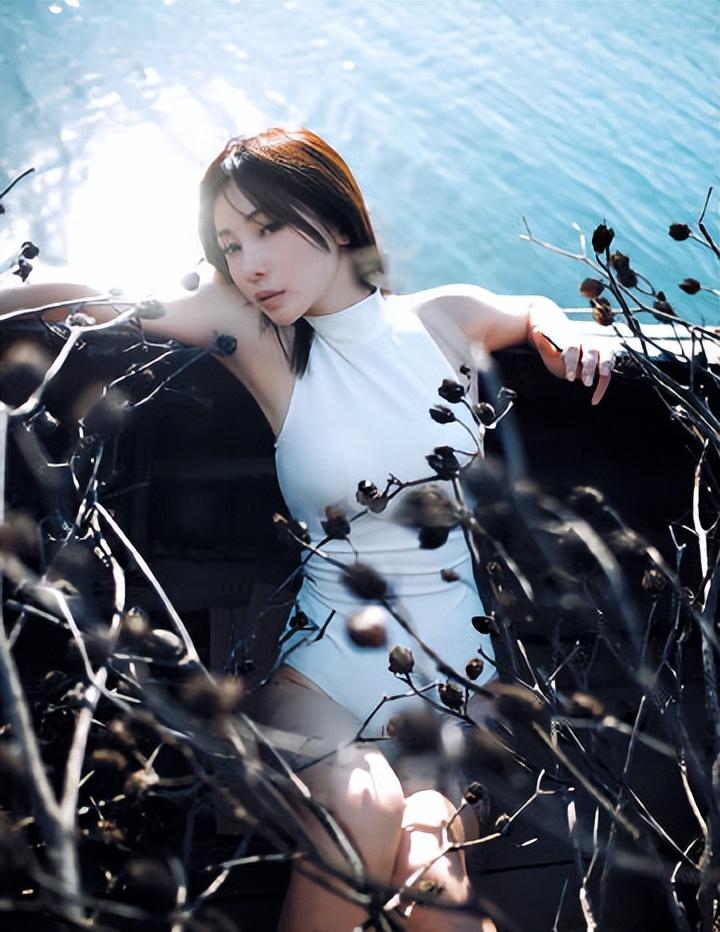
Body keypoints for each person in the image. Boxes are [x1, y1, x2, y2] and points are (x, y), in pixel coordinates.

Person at [0, 127, 615, 932]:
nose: (249, 264)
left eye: (266, 228)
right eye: (230, 244)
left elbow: (529, 310)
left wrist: (564, 325)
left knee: (436, 879)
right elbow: (95, 295)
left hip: (457, 687)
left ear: (335, 215)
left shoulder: (443, 319)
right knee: (361, 807)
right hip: (323, 677)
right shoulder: (261, 339)